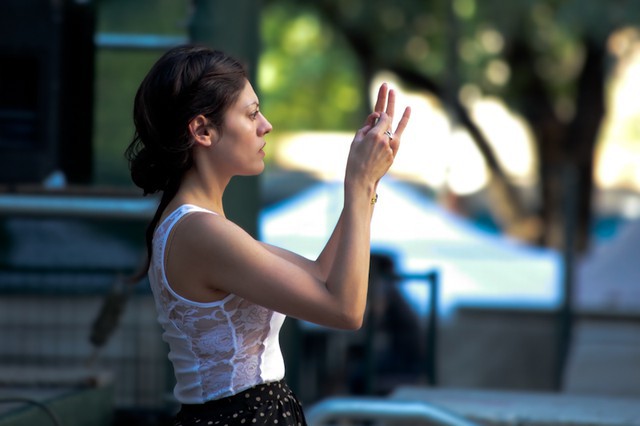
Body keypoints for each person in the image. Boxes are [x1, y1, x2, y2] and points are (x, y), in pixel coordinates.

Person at [125, 44, 411, 426]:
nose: (266, 125)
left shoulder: (201, 226)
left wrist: (367, 181)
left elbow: (322, 276)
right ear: (203, 130)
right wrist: (358, 183)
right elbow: (345, 309)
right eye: (252, 113)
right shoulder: (200, 231)